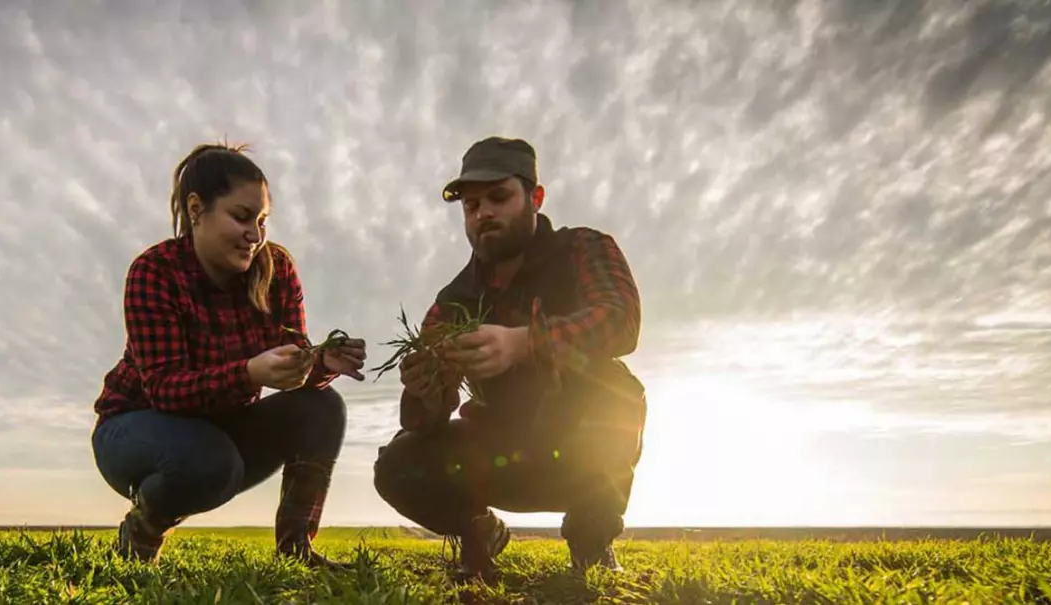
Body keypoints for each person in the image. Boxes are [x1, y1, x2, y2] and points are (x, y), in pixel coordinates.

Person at [372, 136, 647, 584]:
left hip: (580, 445)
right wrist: (424, 389)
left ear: (534, 198)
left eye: (498, 198)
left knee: (619, 393)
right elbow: (428, 418)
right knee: (398, 464)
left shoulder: (583, 248)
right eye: (471, 205)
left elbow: (621, 321)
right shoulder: (453, 300)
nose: (483, 214)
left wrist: (524, 343)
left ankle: (591, 543)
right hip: (498, 451)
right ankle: (479, 531)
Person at [91, 142, 367, 570]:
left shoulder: (277, 270)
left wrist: (317, 364)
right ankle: (145, 526)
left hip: (220, 432)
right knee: (208, 461)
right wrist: (249, 374)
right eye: (241, 218)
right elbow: (164, 389)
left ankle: (297, 550)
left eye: (262, 221)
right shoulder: (155, 271)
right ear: (197, 208)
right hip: (134, 428)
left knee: (322, 406)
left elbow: (292, 363)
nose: (255, 236)